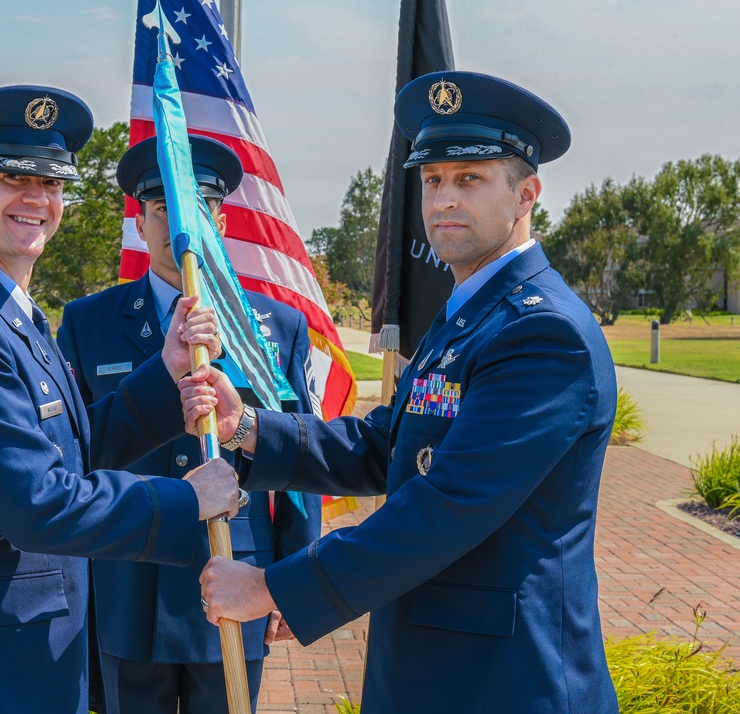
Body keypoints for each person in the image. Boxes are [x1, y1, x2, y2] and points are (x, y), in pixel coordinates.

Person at [187, 71, 620, 713]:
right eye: (433, 179)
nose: (444, 198)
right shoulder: (470, 312)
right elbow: (385, 444)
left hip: (503, 679)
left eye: (469, 179)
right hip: (432, 663)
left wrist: (274, 587)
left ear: (527, 193)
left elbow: (448, 504)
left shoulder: (541, 332)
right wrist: (245, 425)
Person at [0, 85, 241, 714]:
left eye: (51, 182)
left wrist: (165, 379)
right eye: (12, 177)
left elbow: (67, 451)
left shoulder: (5, 311)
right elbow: (36, 503)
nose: (36, 199)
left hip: (25, 652)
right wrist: (187, 499)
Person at [56, 135, 322, 714]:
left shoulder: (273, 328)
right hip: (127, 582)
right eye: (162, 210)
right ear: (142, 222)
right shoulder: (88, 323)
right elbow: (73, 453)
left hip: (234, 573)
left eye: (198, 210)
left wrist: (294, 577)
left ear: (220, 220)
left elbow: (302, 462)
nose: (179, 226)